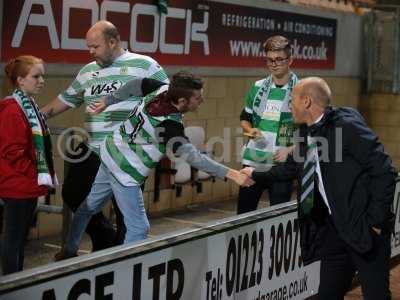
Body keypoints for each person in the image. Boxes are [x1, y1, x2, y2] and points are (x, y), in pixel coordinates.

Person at [55, 72, 253, 260]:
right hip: (125, 172)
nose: (201, 100)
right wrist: (233, 174)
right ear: (182, 101)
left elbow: (135, 85)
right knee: (139, 228)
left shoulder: (161, 88)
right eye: (197, 98)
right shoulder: (169, 125)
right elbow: (194, 158)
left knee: (89, 206)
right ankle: (122, 271)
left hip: (109, 154)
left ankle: (70, 249)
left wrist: (108, 101)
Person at [242, 77, 395, 299]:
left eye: (292, 100)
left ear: (306, 102)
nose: (288, 106)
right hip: (332, 231)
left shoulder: (346, 126)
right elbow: (291, 168)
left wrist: (376, 222)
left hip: (363, 228)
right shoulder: (304, 133)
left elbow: (384, 171)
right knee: (328, 294)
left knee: (376, 295)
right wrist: (254, 175)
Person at [40, 20, 169, 251]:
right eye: (88, 46)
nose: (91, 51)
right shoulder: (88, 71)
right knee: (73, 192)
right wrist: (33, 117)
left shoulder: (145, 65)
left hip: (128, 153)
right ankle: (103, 234)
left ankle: (121, 264)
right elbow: (65, 100)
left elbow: (167, 101)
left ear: (113, 42)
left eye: (95, 46)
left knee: (125, 215)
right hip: (95, 148)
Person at [0, 55, 57, 275]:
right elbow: (12, 152)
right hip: (17, 184)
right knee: (14, 238)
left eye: (42, 75)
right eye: (36, 76)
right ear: (20, 80)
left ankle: (18, 279)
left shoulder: (29, 105)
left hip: (26, 184)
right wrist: (36, 174)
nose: (42, 80)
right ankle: (11, 285)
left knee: (20, 238)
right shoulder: (12, 109)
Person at [237, 35, 298, 214]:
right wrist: (250, 130)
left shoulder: (301, 90)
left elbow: (310, 130)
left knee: (277, 218)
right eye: (270, 60)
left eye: (279, 59)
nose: (274, 64)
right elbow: (244, 118)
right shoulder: (258, 87)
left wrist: (290, 149)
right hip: (252, 162)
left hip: (281, 167)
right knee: (243, 217)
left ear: (290, 60)